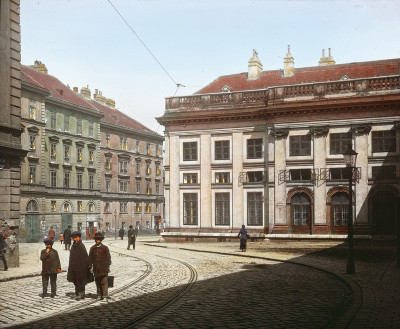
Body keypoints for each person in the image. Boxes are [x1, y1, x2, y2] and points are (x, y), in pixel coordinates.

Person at [88, 232, 111, 300]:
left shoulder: (105, 248)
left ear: (101, 240)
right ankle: (99, 295)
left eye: (99, 239)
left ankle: (104, 295)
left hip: (103, 268)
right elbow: (90, 258)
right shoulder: (92, 248)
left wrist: (108, 266)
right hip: (96, 269)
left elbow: (108, 258)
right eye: (96, 239)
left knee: (104, 282)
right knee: (97, 282)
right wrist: (90, 267)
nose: (97, 240)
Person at [67, 231, 88, 300]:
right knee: (75, 280)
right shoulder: (73, 246)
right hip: (74, 267)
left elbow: (85, 257)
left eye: (76, 237)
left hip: (81, 267)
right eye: (73, 238)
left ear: (79, 237)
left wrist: (84, 266)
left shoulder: (81, 246)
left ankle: (82, 294)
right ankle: (77, 293)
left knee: (81, 281)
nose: (75, 239)